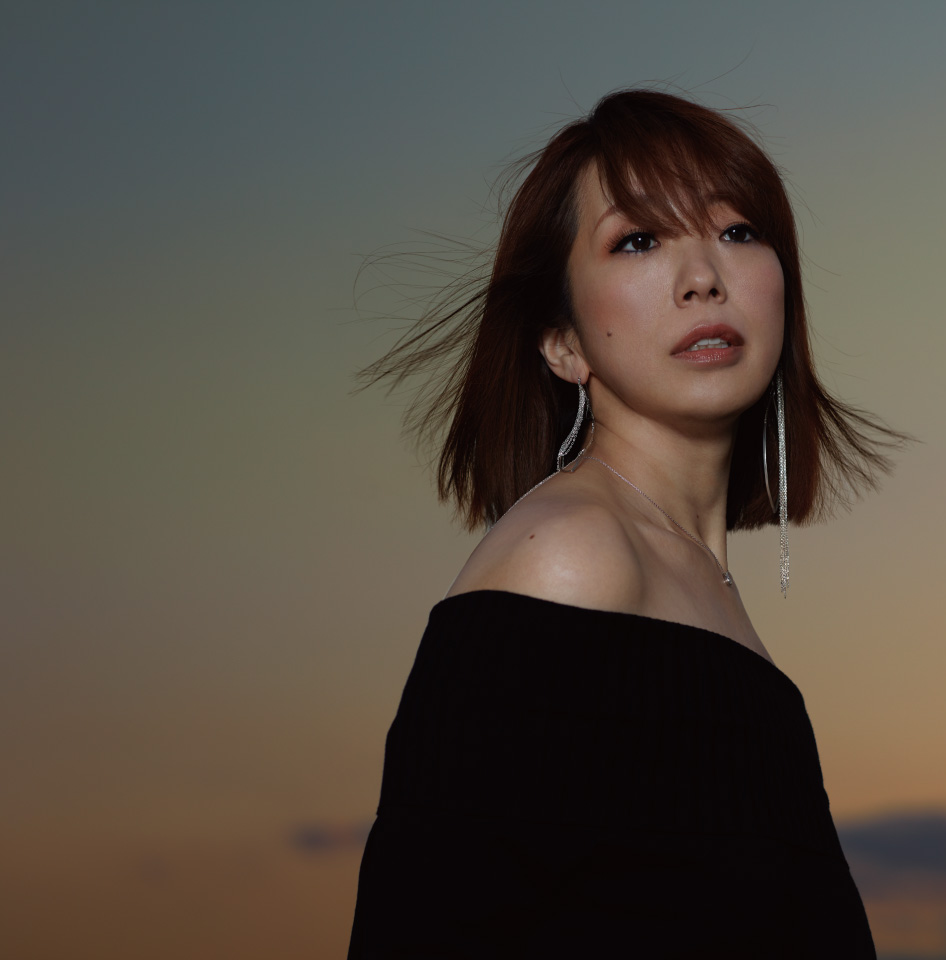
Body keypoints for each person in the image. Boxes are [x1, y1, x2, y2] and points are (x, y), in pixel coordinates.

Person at [347, 89, 904, 957]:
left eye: (738, 230)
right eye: (638, 241)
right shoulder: (571, 558)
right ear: (562, 341)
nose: (703, 276)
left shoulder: (702, 593)